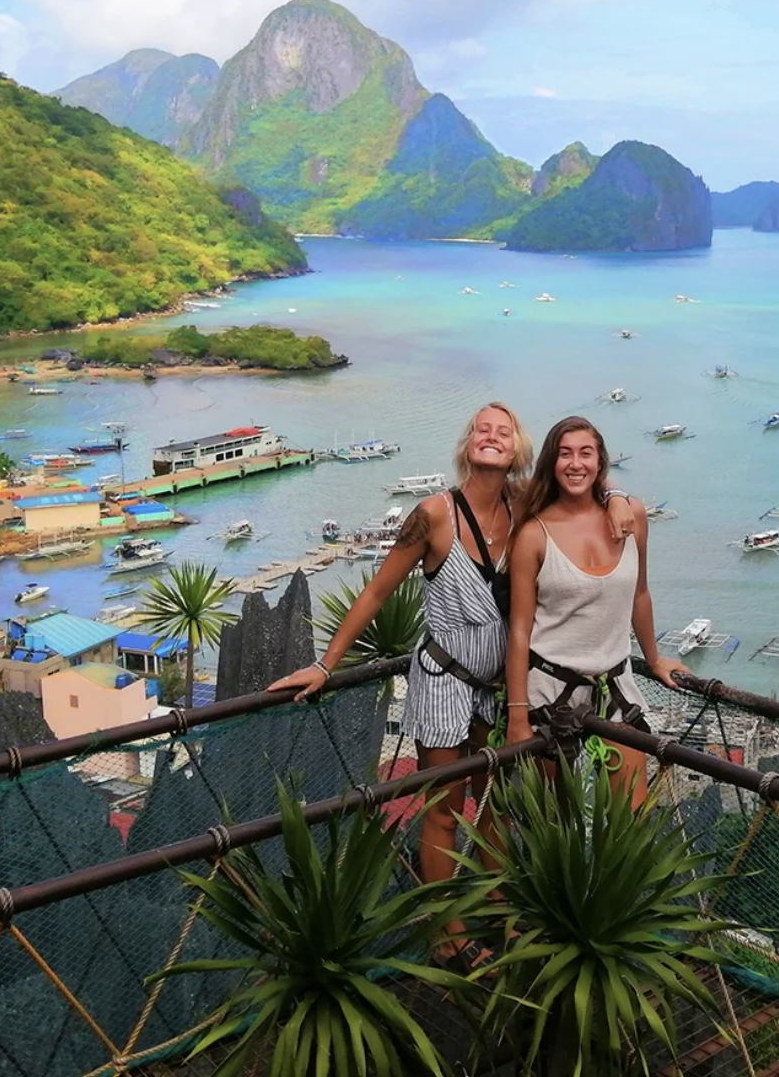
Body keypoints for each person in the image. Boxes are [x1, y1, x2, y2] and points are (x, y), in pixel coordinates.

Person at [267, 403, 632, 956]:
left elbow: (586, 482)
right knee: (443, 808)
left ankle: (500, 917)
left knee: (493, 807)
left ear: (517, 450)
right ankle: (447, 935)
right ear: (466, 445)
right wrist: (326, 664)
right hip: (444, 680)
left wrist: (621, 502)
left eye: (503, 431)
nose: (491, 436)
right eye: (482, 429)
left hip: (498, 688)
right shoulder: (433, 515)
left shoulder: (525, 502)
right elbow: (376, 592)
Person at [504, 416, 688, 805]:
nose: (575, 464)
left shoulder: (630, 515)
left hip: (616, 685)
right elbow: (519, 630)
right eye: (565, 454)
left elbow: (639, 593)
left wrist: (653, 660)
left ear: (601, 461)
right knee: (554, 822)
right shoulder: (534, 533)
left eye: (586, 453)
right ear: (551, 464)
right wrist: (517, 716)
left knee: (630, 817)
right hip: (550, 690)